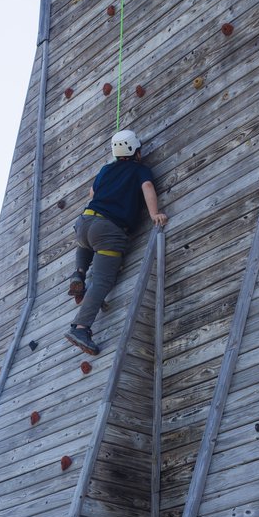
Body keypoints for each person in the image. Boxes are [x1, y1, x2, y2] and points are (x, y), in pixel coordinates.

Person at [65, 129, 168, 355]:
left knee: (85, 243)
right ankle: (80, 327)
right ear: (136, 152)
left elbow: (92, 193)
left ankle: (79, 273)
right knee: (102, 280)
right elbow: (148, 187)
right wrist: (154, 214)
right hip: (109, 231)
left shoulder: (105, 169)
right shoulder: (140, 170)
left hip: (84, 222)